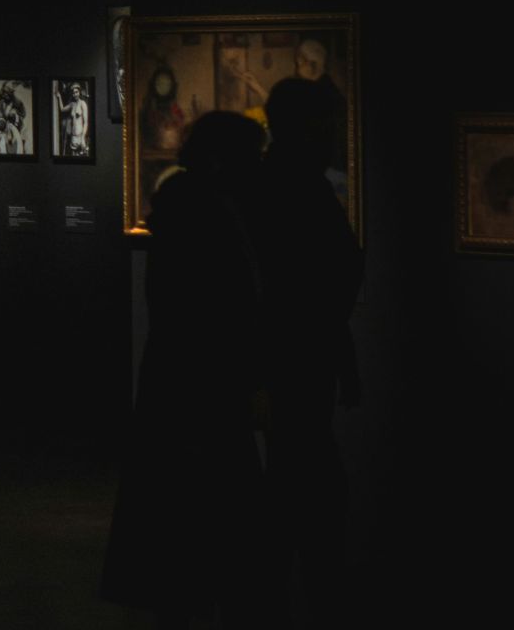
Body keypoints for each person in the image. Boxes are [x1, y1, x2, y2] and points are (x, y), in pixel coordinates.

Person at [103, 111, 275, 624]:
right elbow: (205, 315)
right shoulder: (203, 216)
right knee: (204, 518)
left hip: (189, 389)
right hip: (199, 394)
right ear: (224, 161)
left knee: (190, 524)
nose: (258, 166)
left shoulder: (192, 209)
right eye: (251, 157)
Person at [250, 76, 363, 614]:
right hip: (294, 361)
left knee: (296, 486)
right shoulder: (291, 187)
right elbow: (314, 286)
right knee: (306, 491)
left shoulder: (283, 183)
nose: (336, 135)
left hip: (297, 359)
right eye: (327, 125)